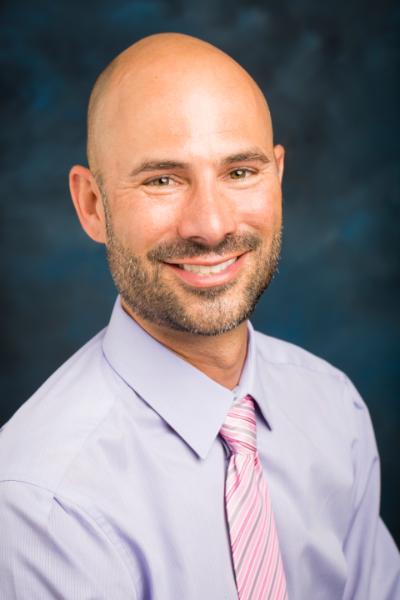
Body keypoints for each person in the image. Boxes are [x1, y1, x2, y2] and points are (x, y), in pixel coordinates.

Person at [0, 32, 398, 600]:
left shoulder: (335, 407)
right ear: (92, 205)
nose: (210, 227)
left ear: (277, 176)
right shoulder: (40, 505)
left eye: (240, 172)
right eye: (162, 179)